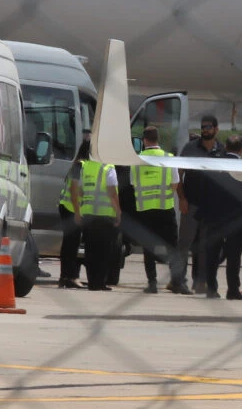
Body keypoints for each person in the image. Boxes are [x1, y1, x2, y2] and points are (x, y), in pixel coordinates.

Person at [129, 126, 190, 294]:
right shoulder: (168, 158)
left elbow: (134, 183)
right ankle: (177, 282)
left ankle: (152, 283)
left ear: (144, 141)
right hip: (165, 208)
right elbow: (175, 183)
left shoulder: (137, 160)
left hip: (145, 210)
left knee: (148, 247)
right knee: (172, 247)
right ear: (158, 139)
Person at [199, 134, 242, 299]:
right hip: (237, 219)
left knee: (212, 253)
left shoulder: (215, 165)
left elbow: (204, 190)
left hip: (215, 216)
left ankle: (211, 288)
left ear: (226, 147)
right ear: (241, 149)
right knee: (234, 255)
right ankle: (233, 289)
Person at [176, 114, 224, 293]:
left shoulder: (221, 150)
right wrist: (181, 198)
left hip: (211, 207)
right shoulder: (190, 148)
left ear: (216, 129)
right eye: (203, 127)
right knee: (184, 243)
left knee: (205, 246)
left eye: (209, 127)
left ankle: (201, 282)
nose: (205, 130)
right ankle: (178, 281)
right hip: (191, 204)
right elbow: (177, 174)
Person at [70, 141, 122, 291]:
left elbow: (79, 191)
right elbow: (112, 192)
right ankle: (100, 282)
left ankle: (92, 282)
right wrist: (118, 212)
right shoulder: (108, 167)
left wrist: (78, 212)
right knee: (104, 251)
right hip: (105, 216)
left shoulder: (84, 167)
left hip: (88, 214)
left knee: (91, 250)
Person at [56, 130, 89, 288]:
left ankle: (66, 276)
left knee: (70, 244)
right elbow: (74, 190)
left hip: (67, 208)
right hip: (71, 209)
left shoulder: (77, 165)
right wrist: (77, 212)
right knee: (72, 244)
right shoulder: (80, 166)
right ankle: (70, 276)